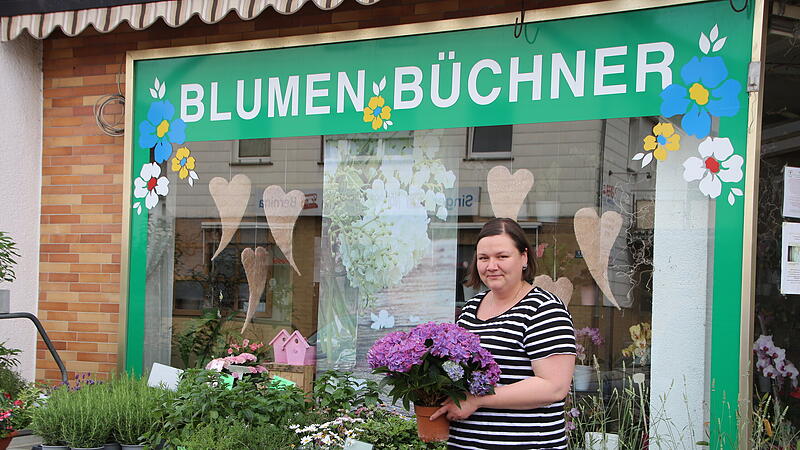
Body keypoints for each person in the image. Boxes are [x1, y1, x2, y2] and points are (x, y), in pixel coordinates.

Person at [430, 217, 576, 449]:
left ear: (524, 258)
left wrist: (477, 400)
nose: (491, 266)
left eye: (502, 256)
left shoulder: (544, 309)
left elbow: (554, 387)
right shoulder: (471, 308)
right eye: (483, 258)